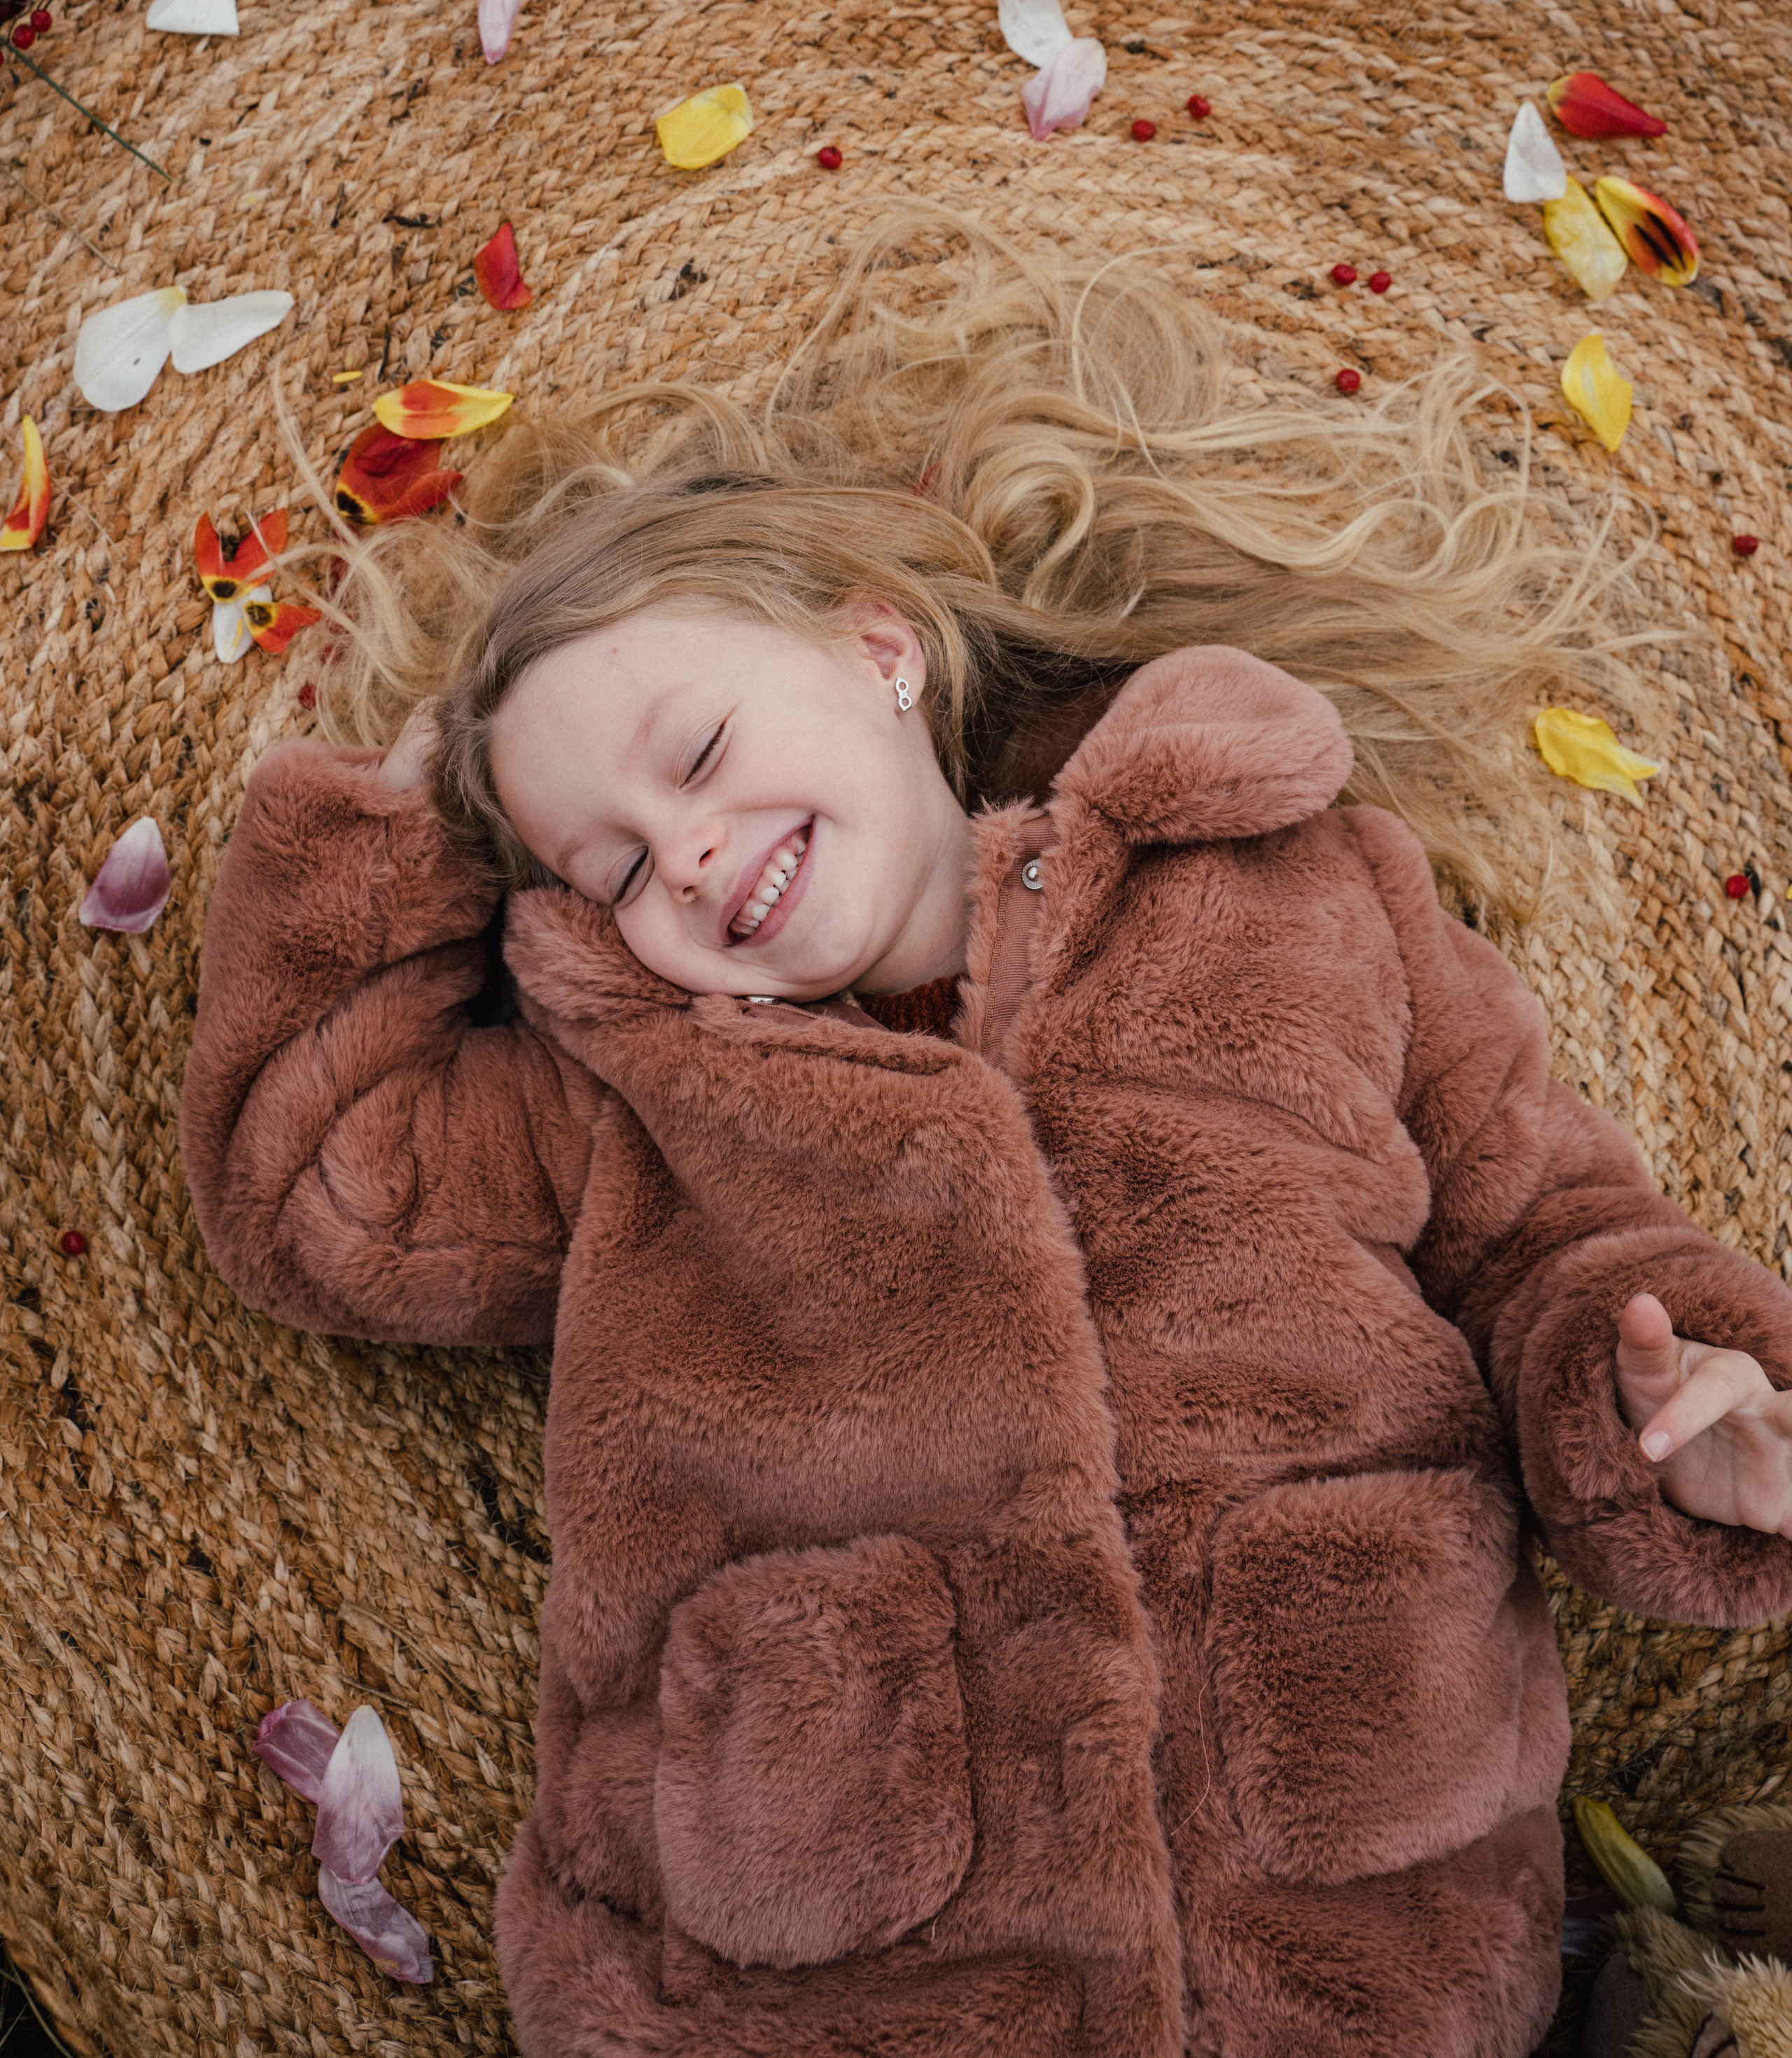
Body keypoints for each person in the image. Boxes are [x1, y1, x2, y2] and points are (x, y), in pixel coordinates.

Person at [180, 214, 1792, 2057]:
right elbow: (311, 1186)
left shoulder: (1288, 885)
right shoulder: (633, 1095)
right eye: (609, 865)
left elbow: (1541, 1226)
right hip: (841, 1979)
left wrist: (1673, 1411)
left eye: (697, 754)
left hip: (1357, 1912)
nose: (683, 853)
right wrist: (401, 817)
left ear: (880, 647)